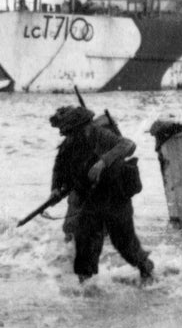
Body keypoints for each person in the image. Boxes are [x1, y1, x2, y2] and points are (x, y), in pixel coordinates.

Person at [49, 105, 154, 283]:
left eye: (72, 131)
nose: (69, 136)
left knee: (124, 243)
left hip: (115, 196)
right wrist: (55, 189)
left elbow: (128, 144)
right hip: (90, 198)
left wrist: (102, 162)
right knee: (85, 245)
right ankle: (85, 288)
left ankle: (146, 269)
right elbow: (59, 169)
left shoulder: (100, 134)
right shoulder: (70, 143)